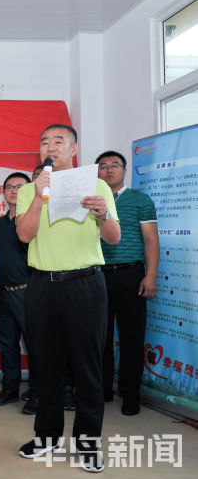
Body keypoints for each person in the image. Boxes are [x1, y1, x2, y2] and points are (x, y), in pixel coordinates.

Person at [16, 124, 120, 473]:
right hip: (43, 285)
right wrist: (38, 196)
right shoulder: (30, 189)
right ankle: (46, 437)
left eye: (58, 141)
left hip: (85, 285)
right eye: (44, 141)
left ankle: (88, 445)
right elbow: (24, 234)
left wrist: (102, 213)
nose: (50, 146)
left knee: (87, 366)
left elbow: (114, 237)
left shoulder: (98, 186)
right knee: (46, 366)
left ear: (74, 149)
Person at [96, 150, 159, 416]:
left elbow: (151, 239)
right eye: (103, 166)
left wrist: (151, 275)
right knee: (100, 337)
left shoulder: (139, 200)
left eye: (115, 165)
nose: (109, 170)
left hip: (131, 274)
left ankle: (130, 394)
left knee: (133, 336)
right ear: (96, 172)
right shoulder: (91, 201)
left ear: (124, 170)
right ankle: (103, 390)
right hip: (96, 275)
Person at [0, 172, 38, 415]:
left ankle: (37, 393)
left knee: (35, 345)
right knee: (7, 344)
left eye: (19, 187)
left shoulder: (33, 220)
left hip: (27, 292)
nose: (13, 191)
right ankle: (10, 389)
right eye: (9, 187)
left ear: (29, 191)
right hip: (1, 293)